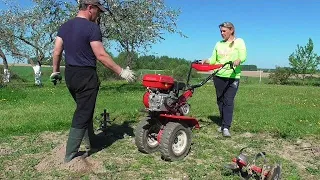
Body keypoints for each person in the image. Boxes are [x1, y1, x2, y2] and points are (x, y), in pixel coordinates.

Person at [50, 0, 136, 163]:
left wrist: (55, 71)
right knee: (83, 112)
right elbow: (101, 55)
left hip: (70, 75)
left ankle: (92, 142)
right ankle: (70, 155)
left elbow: (56, 51)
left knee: (85, 109)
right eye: (98, 11)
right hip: (86, 76)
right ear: (90, 8)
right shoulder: (91, 28)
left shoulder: (64, 26)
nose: (99, 14)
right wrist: (121, 71)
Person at [202, 22, 247, 137]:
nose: (222, 33)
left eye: (224, 31)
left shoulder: (239, 42)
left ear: (231, 30)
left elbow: (243, 55)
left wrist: (238, 60)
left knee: (228, 101)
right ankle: (223, 123)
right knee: (220, 100)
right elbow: (213, 59)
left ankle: (226, 127)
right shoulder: (218, 44)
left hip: (233, 76)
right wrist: (206, 60)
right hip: (219, 75)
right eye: (221, 31)